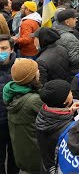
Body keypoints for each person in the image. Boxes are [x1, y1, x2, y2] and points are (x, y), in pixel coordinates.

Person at [3, 58, 43, 174]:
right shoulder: (33, 100)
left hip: (23, 152)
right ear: (31, 77)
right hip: (36, 154)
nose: (39, 72)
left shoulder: (13, 92)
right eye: (36, 70)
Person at [35, 80, 79, 174]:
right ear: (64, 101)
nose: (71, 92)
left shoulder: (43, 114)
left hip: (46, 166)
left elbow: (57, 118)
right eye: (69, 92)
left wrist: (69, 111)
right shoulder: (66, 130)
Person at [0, 35, 18, 174]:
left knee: (15, 156)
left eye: (4, 48)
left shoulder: (20, 67)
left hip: (16, 122)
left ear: (11, 49)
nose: (0, 52)